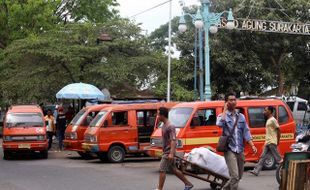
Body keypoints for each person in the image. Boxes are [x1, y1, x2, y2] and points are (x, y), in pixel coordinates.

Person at [216, 92, 257, 190]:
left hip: (240, 149)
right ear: (226, 102)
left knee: (239, 176)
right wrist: (225, 110)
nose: (233, 101)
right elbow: (219, 124)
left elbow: (246, 132)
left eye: (234, 99)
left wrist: (252, 145)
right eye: (231, 100)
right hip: (229, 149)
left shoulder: (241, 117)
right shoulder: (222, 116)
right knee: (235, 176)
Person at [155, 107, 193, 190]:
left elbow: (173, 140)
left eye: (158, 114)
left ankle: (159, 188)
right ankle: (188, 184)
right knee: (174, 170)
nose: (157, 116)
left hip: (169, 152)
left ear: (162, 115)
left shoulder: (170, 126)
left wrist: (171, 153)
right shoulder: (164, 125)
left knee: (162, 169)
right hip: (166, 151)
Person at [250, 106, 283, 176]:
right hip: (267, 142)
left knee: (278, 158)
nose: (264, 112)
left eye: (265, 110)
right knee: (262, 156)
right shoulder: (268, 120)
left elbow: (279, 130)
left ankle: (284, 169)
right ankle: (256, 171)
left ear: (270, 111)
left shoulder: (273, 120)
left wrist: (278, 141)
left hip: (272, 142)